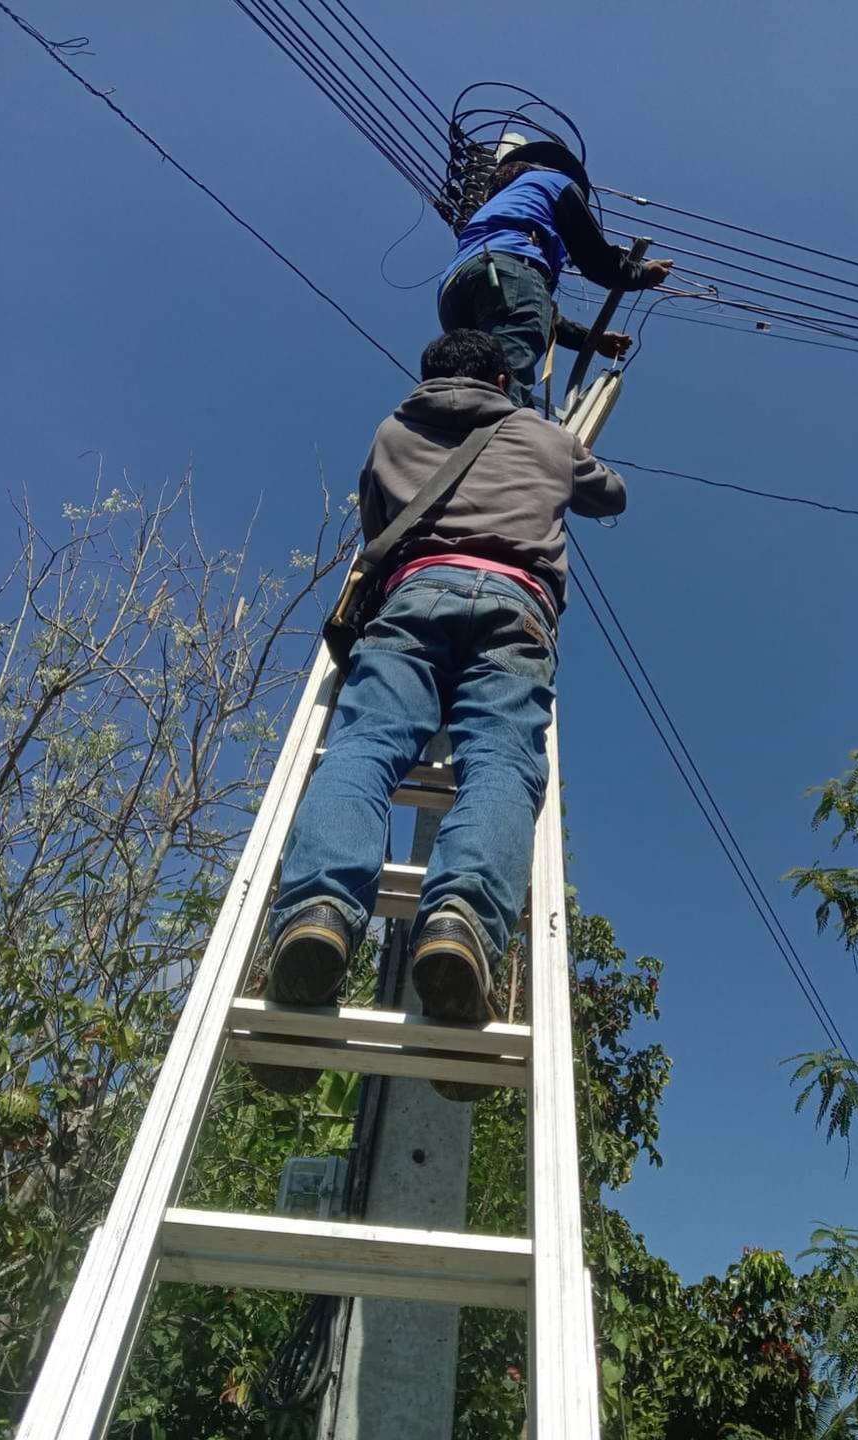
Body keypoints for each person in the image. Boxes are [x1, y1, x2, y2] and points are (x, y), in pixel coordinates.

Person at [254, 329, 626, 1101]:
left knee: (364, 748)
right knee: (499, 761)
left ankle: (319, 910)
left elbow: (374, 523)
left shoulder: (394, 429)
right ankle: (458, 922)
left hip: (411, 595)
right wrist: (554, 452)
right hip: (515, 604)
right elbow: (611, 494)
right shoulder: (539, 432)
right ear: (500, 375)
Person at [438, 140, 674, 406]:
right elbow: (595, 259)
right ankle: (496, 441)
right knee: (501, 386)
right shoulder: (555, 180)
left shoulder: (501, 202)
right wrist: (642, 274)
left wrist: (591, 339)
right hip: (508, 269)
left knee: (469, 386)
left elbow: (533, 308)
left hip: (453, 289)